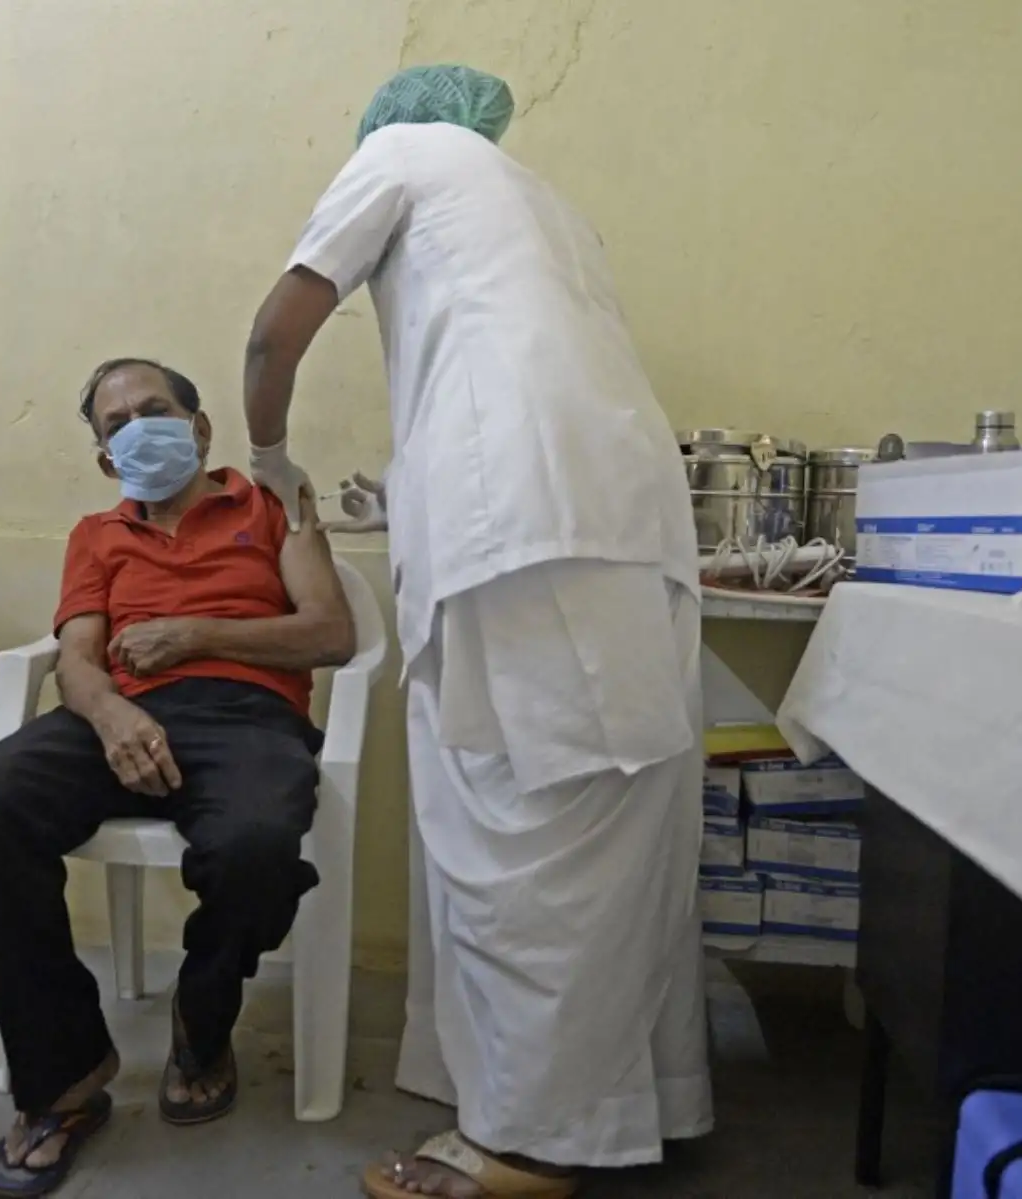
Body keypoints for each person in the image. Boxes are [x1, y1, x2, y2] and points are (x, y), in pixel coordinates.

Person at [243, 66, 710, 1198]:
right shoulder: (549, 209)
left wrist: (268, 454)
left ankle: (528, 1147)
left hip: (528, 529)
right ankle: (632, 1101)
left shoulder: (404, 154)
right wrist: (413, 492)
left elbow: (277, 331)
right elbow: (512, 363)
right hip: (626, 518)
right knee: (617, 813)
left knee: (521, 830)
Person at [0, 357, 356, 1198]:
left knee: (256, 846)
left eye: (154, 410)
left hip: (247, 717)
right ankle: (65, 1073)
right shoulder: (96, 536)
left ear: (200, 428)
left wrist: (194, 635)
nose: (138, 428)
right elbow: (79, 660)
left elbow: (330, 633)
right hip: (117, 716)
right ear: (104, 458)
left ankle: (203, 1015)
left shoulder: (277, 503)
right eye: (116, 424)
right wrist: (114, 716)